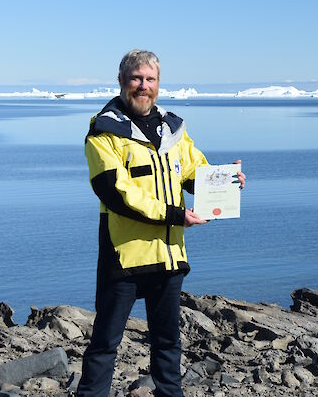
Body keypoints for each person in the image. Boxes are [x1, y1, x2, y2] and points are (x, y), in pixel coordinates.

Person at [77, 49, 246, 397]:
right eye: (137, 78)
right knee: (105, 344)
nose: (143, 85)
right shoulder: (104, 131)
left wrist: (227, 182)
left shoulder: (173, 128)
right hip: (124, 258)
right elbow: (116, 193)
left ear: (158, 84)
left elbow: (192, 173)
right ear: (123, 81)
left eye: (150, 79)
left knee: (168, 344)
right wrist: (175, 215)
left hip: (168, 258)